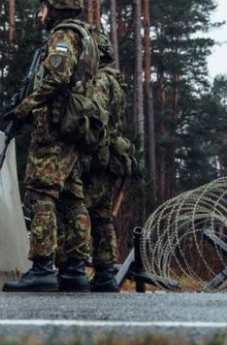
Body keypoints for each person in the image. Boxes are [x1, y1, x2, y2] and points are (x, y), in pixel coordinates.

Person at [2, 0, 96, 292]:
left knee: (42, 194)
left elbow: (56, 78)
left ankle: (42, 268)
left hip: (54, 130)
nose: (40, 14)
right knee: (72, 200)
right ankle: (74, 270)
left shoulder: (63, 36)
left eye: (43, 7)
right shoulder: (84, 36)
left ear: (55, 8)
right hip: (72, 129)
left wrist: (23, 108)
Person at [84, 33, 129, 292]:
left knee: (80, 209)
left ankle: (75, 267)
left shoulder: (100, 80)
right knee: (101, 216)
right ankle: (105, 272)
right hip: (111, 155)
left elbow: (96, 115)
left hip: (98, 154)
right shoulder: (116, 82)